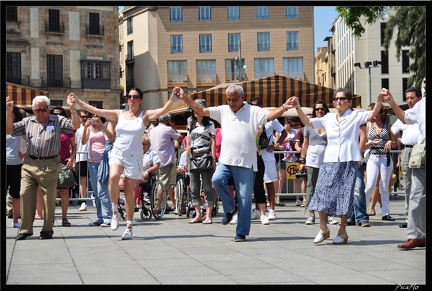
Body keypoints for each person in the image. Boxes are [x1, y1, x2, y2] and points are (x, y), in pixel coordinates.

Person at [177, 84, 291, 242]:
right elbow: (201, 110)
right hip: (226, 160)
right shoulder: (223, 110)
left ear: (242, 98)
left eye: (234, 100)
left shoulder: (253, 111)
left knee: (244, 198)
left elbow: (271, 116)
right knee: (216, 180)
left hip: (246, 162)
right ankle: (230, 208)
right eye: (229, 100)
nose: (231, 103)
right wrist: (184, 97)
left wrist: (284, 107)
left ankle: (241, 232)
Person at [69, 87, 176, 240]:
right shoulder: (119, 114)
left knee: (129, 194)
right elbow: (95, 110)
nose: (131, 99)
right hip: (118, 152)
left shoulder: (144, 116)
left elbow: (163, 110)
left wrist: (172, 98)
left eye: (135, 96)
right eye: (129, 96)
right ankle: (114, 212)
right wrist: (78, 102)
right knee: (112, 177)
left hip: (135, 156)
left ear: (140, 99)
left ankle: (129, 226)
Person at [287, 87, 383, 245]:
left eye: (342, 99)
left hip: (348, 160)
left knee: (344, 196)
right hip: (329, 160)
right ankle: (323, 228)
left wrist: (379, 99)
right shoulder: (328, 118)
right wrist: (297, 107)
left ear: (349, 102)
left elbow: (372, 114)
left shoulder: (355, 116)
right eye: (336, 99)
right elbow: (307, 122)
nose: (338, 101)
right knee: (321, 193)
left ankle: (342, 230)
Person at [6, 95, 79, 240]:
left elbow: (75, 126)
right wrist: (8, 113)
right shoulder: (27, 121)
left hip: (50, 163)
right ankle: (25, 229)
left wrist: (72, 109)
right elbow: (10, 130)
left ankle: (47, 230)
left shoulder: (57, 121)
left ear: (49, 109)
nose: (41, 113)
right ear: (33, 110)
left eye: (44, 109)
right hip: (29, 163)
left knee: (49, 198)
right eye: (37, 110)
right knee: (24, 194)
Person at [384, 88, 425, 249]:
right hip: (421, 154)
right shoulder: (421, 105)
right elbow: (405, 117)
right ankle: (417, 236)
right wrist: (391, 101)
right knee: (416, 194)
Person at [250, 97, 287, 222]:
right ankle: (258, 210)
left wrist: (276, 144)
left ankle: (272, 209)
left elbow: (284, 132)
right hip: (254, 155)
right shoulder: (251, 119)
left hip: (267, 154)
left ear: (261, 106)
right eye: (252, 105)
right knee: (257, 184)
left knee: (270, 183)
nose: (254, 108)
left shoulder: (271, 119)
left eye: (256, 105)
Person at [391, 87, 422, 228]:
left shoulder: (422, 111)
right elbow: (393, 129)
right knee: (408, 186)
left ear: (419, 98)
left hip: (420, 150)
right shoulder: (406, 114)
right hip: (407, 151)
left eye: (412, 97)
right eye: (407, 98)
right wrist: (399, 140)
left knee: (420, 186)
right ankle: (408, 218)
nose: (409, 100)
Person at [185, 99, 216, 224]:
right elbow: (188, 142)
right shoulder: (190, 123)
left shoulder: (209, 124)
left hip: (205, 156)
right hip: (193, 156)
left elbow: (213, 142)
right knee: (194, 187)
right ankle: (198, 214)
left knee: (208, 187)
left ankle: (208, 214)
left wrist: (213, 159)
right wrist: (186, 159)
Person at [364, 104, 397, 222]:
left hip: (385, 157)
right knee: (370, 185)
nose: (375, 114)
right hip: (372, 156)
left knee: (384, 185)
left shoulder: (388, 126)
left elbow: (394, 142)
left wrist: (389, 142)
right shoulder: (368, 126)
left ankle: (385, 212)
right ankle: (361, 210)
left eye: (378, 111)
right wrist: (369, 143)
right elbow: (362, 144)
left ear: (381, 114)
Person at [82, 114, 115, 226]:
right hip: (92, 161)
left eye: (97, 115)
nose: (95, 117)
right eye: (93, 116)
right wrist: (85, 128)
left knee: (102, 189)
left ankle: (108, 217)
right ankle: (100, 216)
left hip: (104, 160)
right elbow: (83, 142)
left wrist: (103, 126)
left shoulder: (107, 124)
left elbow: (112, 138)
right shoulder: (90, 127)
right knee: (96, 191)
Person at [301, 101, 329, 225]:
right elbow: (305, 142)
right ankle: (311, 214)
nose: (319, 111)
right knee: (311, 186)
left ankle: (326, 214)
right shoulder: (309, 124)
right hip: (312, 157)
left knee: (326, 187)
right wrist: (302, 159)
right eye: (317, 109)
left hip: (327, 157)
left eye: (322, 109)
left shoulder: (330, 123)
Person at [148, 113, 181, 215]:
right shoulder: (168, 129)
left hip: (153, 160)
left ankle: (164, 205)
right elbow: (180, 139)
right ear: (168, 120)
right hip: (165, 160)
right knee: (163, 183)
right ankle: (158, 206)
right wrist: (173, 127)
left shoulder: (151, 130)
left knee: (160, 182)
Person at [52, 106, 76, 227]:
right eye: (55, 114)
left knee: (64, 191)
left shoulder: (68, 129)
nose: (58, 116)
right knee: (50, 191)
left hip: (63, 162)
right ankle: (50, 216)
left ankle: (64, 218)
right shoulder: (49, 127)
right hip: (49, 162)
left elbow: (74, 146)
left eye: (60, 114)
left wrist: (72, 158)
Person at [6, 105, 25, 228]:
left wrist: (26, 152)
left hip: (18, 164)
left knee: (16, 194)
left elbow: (29, 141)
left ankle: (16, 221)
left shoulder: (21, 128)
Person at [275, 117, 297, 207]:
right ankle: (278, 198)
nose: (292, 127)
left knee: (295, 178)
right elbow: (276, 145)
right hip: (283, 157)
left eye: (293, 125)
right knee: (281, 178)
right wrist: (284, 142)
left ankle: (298, 198)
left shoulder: (295, 132)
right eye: (291, 125)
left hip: (293, 157)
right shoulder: (279, 132)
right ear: (286, 123)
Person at [137, 135, 161, 209]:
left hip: (148, 176)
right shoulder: (136, 154)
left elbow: (157, 165)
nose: (142, 146)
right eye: (140, 144)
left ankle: (138, 202)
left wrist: (148, 171)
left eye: (144, 144)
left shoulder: (152, 154)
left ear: (148, 145)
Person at [75, 110, 92, 211]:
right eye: (82, 117)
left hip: (93, 156)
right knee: (82, 179)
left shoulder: (94, 127)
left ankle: (95, 197)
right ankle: (83, 201)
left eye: (86, 116)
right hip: (81, 156)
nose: (84, 118)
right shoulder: (77, 129)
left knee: (95, 178)